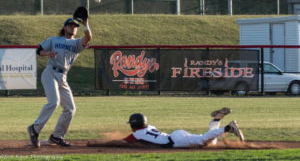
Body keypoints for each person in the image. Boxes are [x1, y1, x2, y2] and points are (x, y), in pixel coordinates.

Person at [27, 17, 92, 148]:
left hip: (63, 76)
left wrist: (86, 24)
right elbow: (39, 50)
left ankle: (57, 136)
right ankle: (35, 128)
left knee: (70, 109)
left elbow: (88, 37)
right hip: (50, 73)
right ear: (64, 27)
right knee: (54, 102)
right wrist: (48, 53)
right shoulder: (54, 40)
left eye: (75, 26)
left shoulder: (77, 44)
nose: (73, 27)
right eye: (70, 25)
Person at [87, 107, 245, 148]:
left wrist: (97, 144)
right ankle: (216, 121)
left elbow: (119, 143)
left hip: (176, 140)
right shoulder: (149, 127)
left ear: (134, 125)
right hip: (176, 136)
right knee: (210, 142)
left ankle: (228, 128)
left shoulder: (137, 135)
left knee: (204, 140)